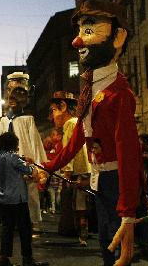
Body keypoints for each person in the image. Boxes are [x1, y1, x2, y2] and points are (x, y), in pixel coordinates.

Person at [42, 0, 142, 266]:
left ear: (118, 37)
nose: (77, 42)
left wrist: (128, 212)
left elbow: (128, 153)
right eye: (79, 32)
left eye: (88, 31)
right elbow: (78, 139)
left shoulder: (117, 94)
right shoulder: (92, 89)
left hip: (114, 179)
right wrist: (50, 165)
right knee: (105, 243)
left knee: (115, 244)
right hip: (100, 176)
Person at [0, 72, 47, 231]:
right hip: (8, 163)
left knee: (29, 192)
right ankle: (11, 221)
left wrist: (39, 167)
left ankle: (32, 221)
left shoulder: (28, 119)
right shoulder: (4, 121)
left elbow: (35, 144)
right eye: (10, 95)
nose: (13, 100)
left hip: (26, 162)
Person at [0, 132, 49, 266]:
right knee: (25, 229)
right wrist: (30, 164)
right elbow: (31, 171)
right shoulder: (13, 157)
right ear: (13, 144)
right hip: (17, 199)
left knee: (7, 228)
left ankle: (4, 258)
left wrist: (22, 158)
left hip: (2, 198)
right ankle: (27, 258)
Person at [49, 91, 91, 246]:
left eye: (54, 110)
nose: (53, 116)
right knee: (79, 203)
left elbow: (70, 150)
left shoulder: (71, 124)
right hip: (82, 169)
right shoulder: (76, 122)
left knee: (79, 203)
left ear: (63, 107)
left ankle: (82, 232)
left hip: (78, 171)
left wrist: (67, 172)